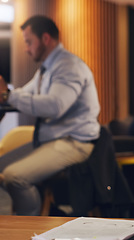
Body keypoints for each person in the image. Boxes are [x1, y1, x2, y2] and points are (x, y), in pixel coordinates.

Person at [0, 15, 100, 215]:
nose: (26, 49)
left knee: (14, 176)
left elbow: (55, 106)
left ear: (45, 39)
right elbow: (24, 93)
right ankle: (35, 213)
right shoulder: (47, 69)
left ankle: (28, 227)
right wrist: (6, 95)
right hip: (51, 139)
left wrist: (7, 95)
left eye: (29, 42)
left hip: (74, 142)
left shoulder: (68, 66)